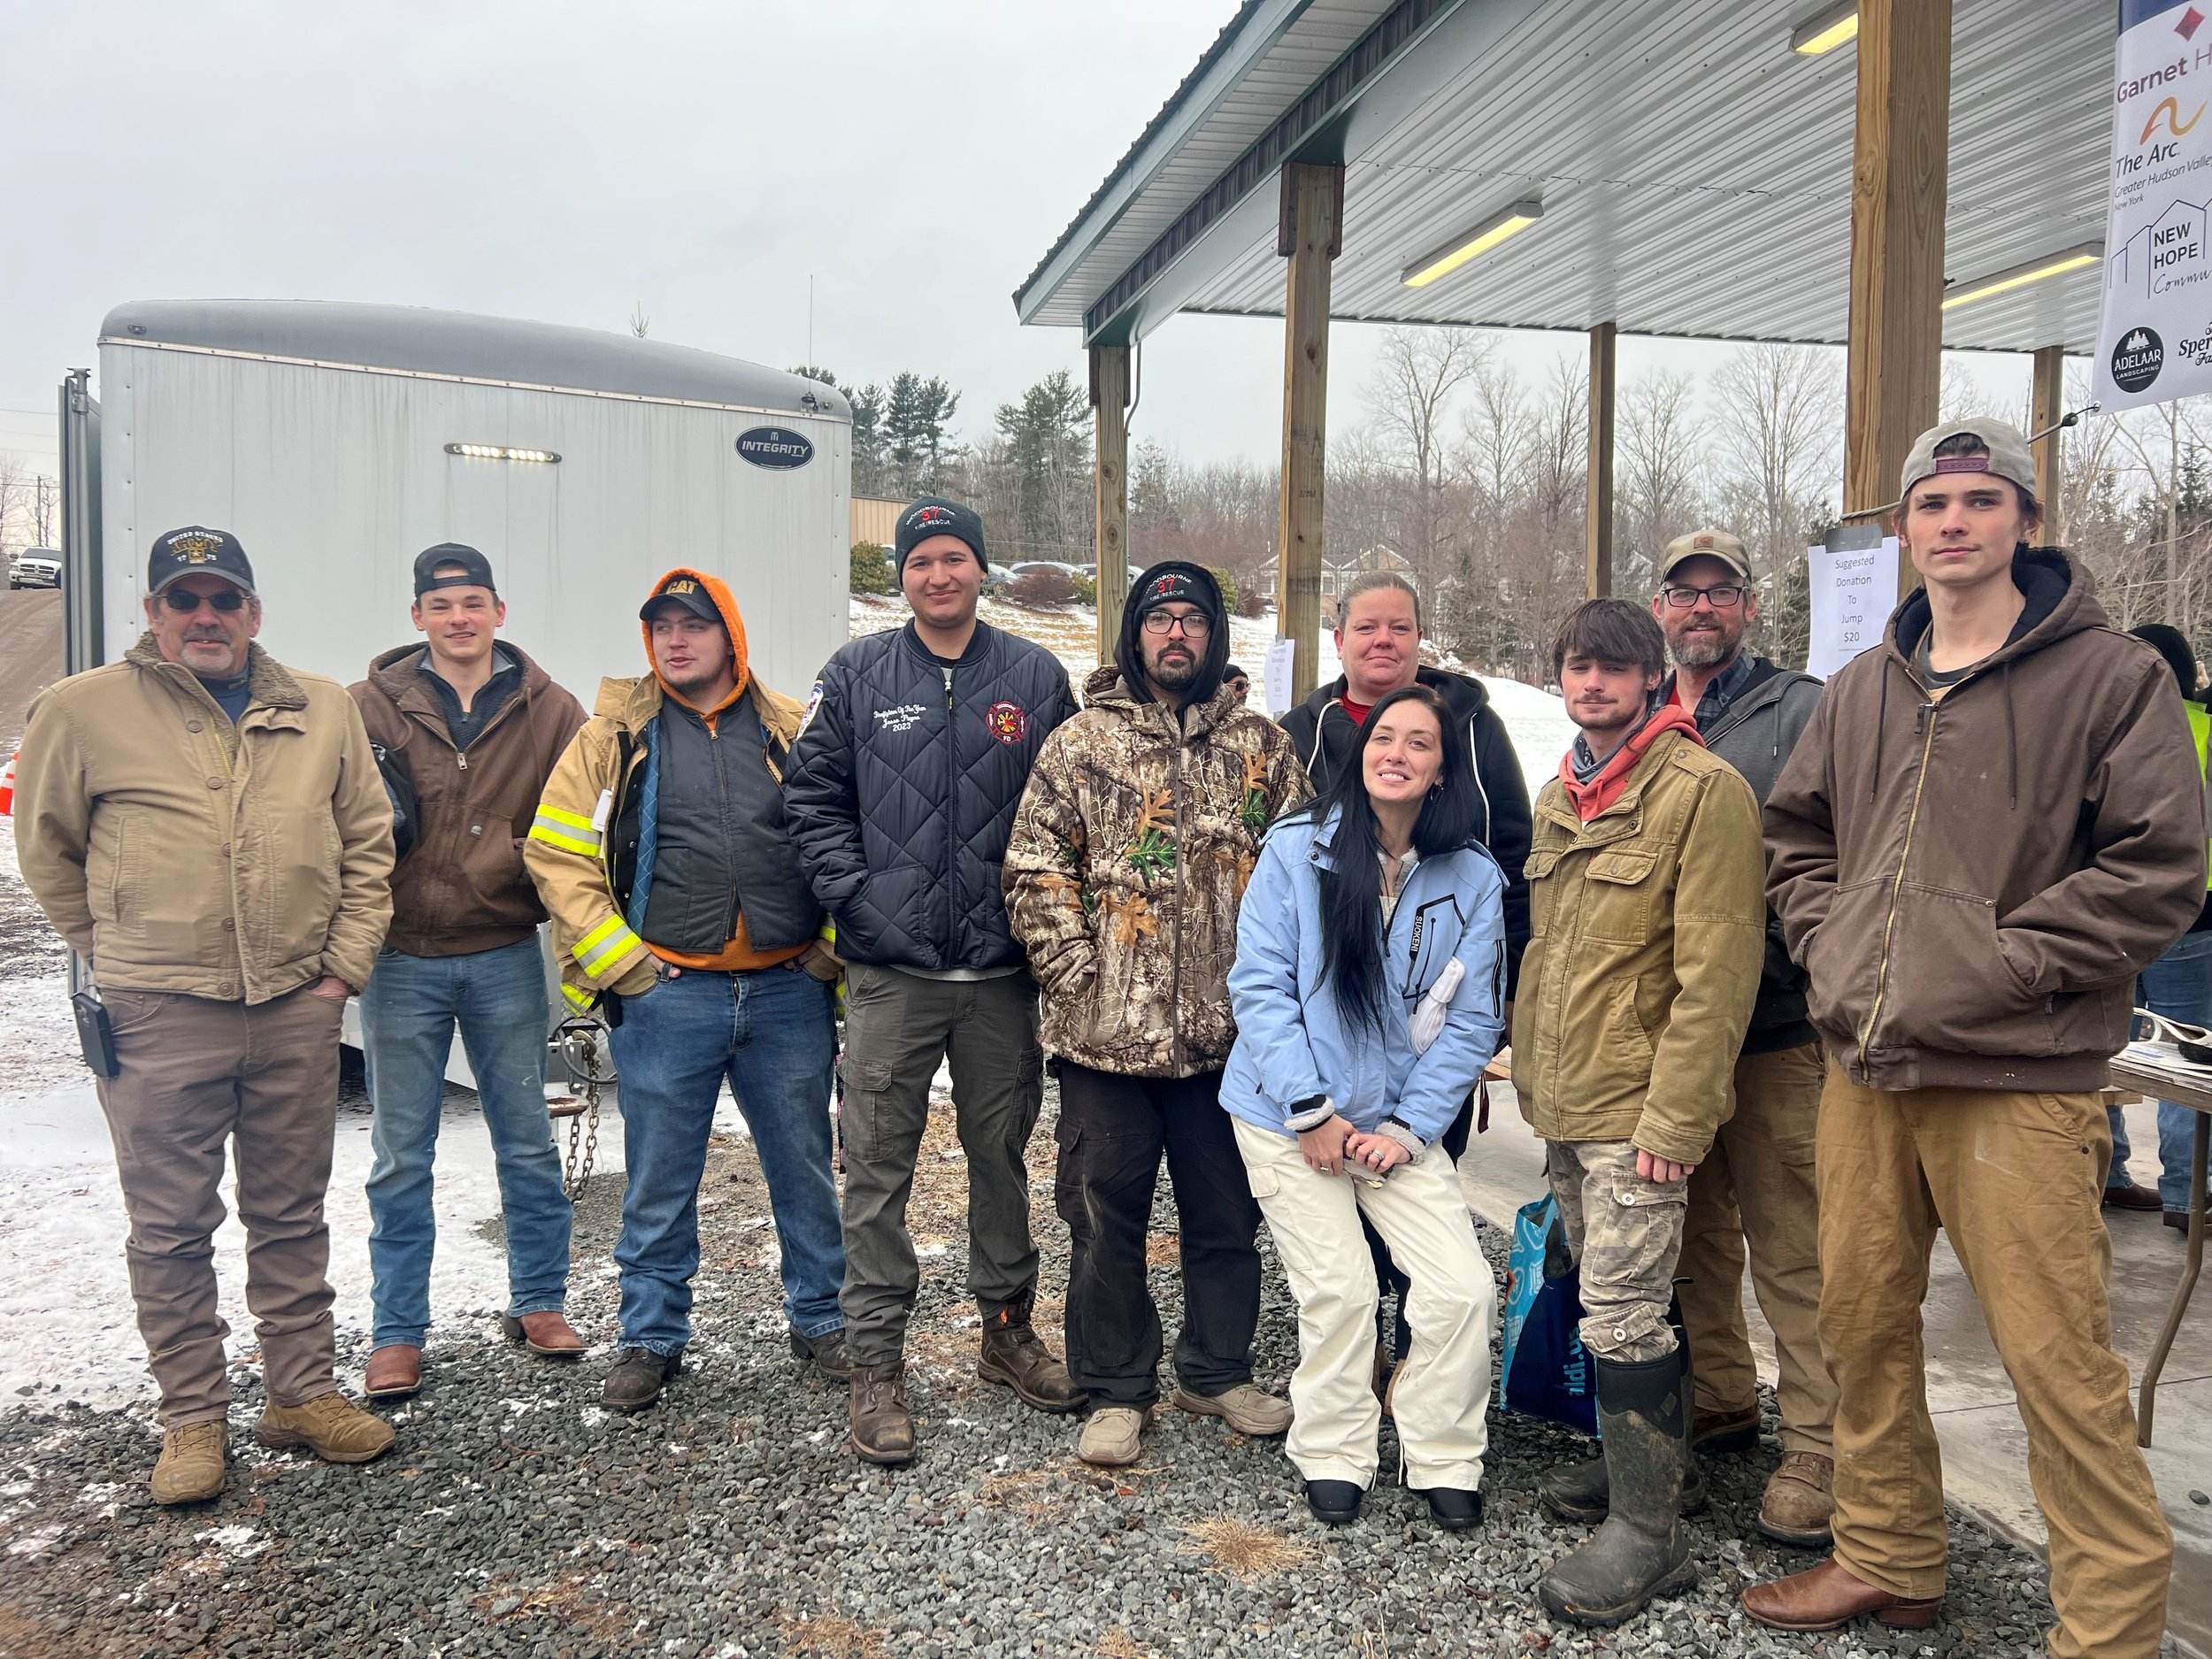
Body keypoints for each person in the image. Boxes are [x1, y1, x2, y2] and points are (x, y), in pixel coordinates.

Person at [1748, 419, 2206, 1655]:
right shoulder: (1864, 686)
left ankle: (2108, 1632)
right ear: (1904, 530)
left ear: (2025, 523)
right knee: (1863, 1324)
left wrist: (2005, 959)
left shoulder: (2112, 678)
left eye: (1980, 499)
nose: (1953, 520)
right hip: (1869, 1070)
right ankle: (1891, 1552)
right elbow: (1799, 840)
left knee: (2057, 1364)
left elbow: (2159, 868)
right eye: (1932, 502)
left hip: (2020, 1080)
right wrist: (1838, 947)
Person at [13, 526, 397, 1503]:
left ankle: (300, 1391)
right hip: (157, 1015)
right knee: (171, 1225)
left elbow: (367, 843)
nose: (205, 617)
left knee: (289, 1211)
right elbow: (48, 850)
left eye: (224, 599)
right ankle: (191, 1417)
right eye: (183, 600)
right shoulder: (82, 709)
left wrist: (337, 974)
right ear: (152, 614)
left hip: (292, 1008)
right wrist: (119, 953)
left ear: (253, 613)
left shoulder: (318, 708)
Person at [784, 496, 1083, 1465]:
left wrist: (1039, 925)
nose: (938, 575)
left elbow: (1073, 806)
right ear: (902, 575)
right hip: (891, 974)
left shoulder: (1034, 677)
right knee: (876, 1170)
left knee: (999, 1159)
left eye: (955, 559)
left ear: (981, 570)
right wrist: (856, 905)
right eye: (921, 562)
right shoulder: (857, 674)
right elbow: (813, 799)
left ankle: (1006, 1334)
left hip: (1000, 974)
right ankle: (876, 1366)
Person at [1003, 563, 1307, 1469]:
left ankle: (1212, 1370)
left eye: (1192, 620)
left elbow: (1300, 873)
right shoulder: (1079, 743)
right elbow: (1034, 864)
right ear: (1134, 635)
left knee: (1226, 1217)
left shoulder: (1263, 747)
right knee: (1105, 1220)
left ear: (1214, 636)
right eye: (1159, 619)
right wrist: (1074, 975)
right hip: (1106, 1043)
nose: (1176, 634)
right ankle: (1116, 1387)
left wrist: (1278, 998)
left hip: (1230, 1045)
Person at [526, 569, 846, 1413]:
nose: (676, 640)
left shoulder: (790, 731)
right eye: (662, 626)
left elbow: (851, 837)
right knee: (660, 1178)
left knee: (805, 1169)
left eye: (694, 625)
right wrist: (621, 962)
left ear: (728, 635)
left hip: (786, 993)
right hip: (668, 997)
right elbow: (556, 853)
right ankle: (652, 1335)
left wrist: (827, 952)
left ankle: (822, 1319)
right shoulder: (611, 739)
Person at [1514, 597, 1766, 1625]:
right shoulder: (1560, 792)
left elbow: (1718, 973)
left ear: (1651, 677)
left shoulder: (1704, 792)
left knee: (1621, 1310)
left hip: (1635, 1109)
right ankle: (1660, 1476)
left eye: (1615, 667)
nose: (1593, 683)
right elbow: (1551, 956)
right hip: (1565, 1102)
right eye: (1577, 665)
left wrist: (1676, 1121)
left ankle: (1648, 1540)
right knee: (1614, 1290)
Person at [1220, 684, 1506, 1528]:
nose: (1398, 752)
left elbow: (1473, 1020)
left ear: (1443, 770)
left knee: (1462, 1288)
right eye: (1386, 736)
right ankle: (1336, 1446)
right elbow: (1261, 988)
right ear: (1361, 749)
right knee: (1342, 1289)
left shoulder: (1472, 877)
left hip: (1394, 1124)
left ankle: (1443, 1448)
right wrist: (1311, 1111)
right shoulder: (1298, 850)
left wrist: (1409, 1129)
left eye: (1421, 743)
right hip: (1287, 1117)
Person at [349, 545, 588, 1400]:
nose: (459, 618)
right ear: (416, 616)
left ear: (499, 611)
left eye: (473, 602)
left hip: (503, 955)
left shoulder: (551, 709)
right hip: (400, 958)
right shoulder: (364, 707)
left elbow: (583, 816)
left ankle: (541, 1301)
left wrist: (521, 861)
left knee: (525, 1140)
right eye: (441, 604)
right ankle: (397, 1332)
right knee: (399, 1154)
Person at [1278, 571, 1532, 1371]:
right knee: (1335, 1198)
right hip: (1329, 1009)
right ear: (1341, 636)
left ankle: (1414, 1347)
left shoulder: (1471, 725)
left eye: (1399, 628)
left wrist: (1494, 988)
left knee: (1418, 1166)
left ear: (1419, 638)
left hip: (1432, 998)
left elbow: (1511, 849)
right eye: (1367, 627)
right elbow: (1274, 862)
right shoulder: (1303, 729)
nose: (1382, 641)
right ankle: (1352, 1352)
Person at [1643, 529, 1838, 1547]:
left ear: (1751, 608)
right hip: (1672, 1035)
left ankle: (1819, 1446)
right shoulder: (1637, 714)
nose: (1703, 608)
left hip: (1773, 1028)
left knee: (1792, 1246)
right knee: (1692, 1238)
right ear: (1661, 609)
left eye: (1722, 593)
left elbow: (1836, 850)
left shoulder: (1800, 710)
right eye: (1685, 593)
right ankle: (1719, 1393)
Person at [2123, 624, 2210, 1233]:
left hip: (2109, 917)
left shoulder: (2105, 725)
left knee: (2100, 1049)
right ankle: (2187, 1193)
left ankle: (2101, 1174)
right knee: (2187, 1052)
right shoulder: (2202, 727)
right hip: (2195, 913)